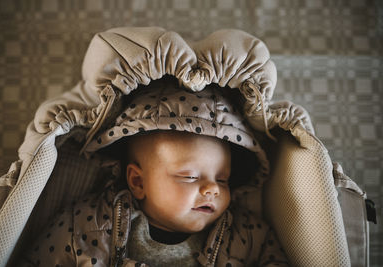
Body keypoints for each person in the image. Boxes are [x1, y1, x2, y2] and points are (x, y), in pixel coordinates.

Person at [19, 79, 289, 266]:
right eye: (190, 176)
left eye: (223, 179)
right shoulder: (90, 222)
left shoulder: (244, 233)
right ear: (138, 181)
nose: (213, 189)